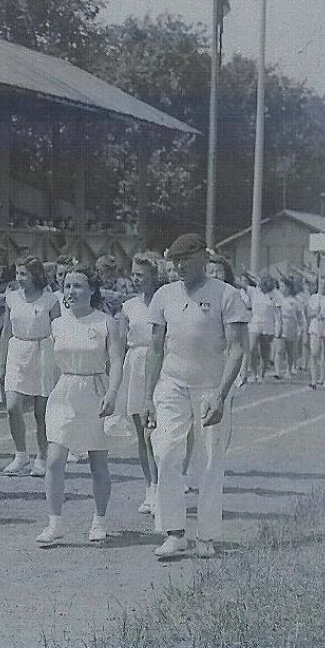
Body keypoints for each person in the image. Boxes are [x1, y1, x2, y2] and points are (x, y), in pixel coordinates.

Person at [144, 234, 248, 560]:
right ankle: (174, 532)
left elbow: (237, 348)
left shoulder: (227, 295)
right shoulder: (164, 295)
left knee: (210, 462)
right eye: (174, 261)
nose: (179, 267)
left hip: (210, 388)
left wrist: (221, 394)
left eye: (185, 260)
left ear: (203, 257)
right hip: (171, 384)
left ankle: (206, 535)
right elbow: (156, 348)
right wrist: (148, 396)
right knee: (166, 453)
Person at [36, 263, 126, 546]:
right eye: (67, 286)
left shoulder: (104, 322)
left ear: (92, 290)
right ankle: (55, 523)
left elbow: (116, 362)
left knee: (98, 462)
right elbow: (48, 365)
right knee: (54, 460)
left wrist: (112, 393)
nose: (71, 291)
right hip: (65, 392)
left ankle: (99, 521)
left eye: (78, 286)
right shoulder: (57, 324)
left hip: (96, 390)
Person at [0, 256, 60, 477]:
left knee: (41, 412)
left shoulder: (51, 300)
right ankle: (21, 454)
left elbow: (59, 334)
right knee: (12, 406)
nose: (19, 278)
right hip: (17, 351)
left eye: (23, 274)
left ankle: (42, 457)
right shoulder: (12, 298)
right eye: (17, 273)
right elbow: (5, 332)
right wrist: (0, 366)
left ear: (35, 275)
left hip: (44, 352)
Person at [118, 253, 161, 514]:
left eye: (142, 275)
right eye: (134, 274)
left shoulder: (164, 301)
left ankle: (162, 485)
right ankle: (150, 488)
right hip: (134, 365)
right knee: (141, 433)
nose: (137, 279)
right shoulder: (128, 306)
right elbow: (121, 343)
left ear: (154, 276)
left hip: (158, 364)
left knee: (154, 433)